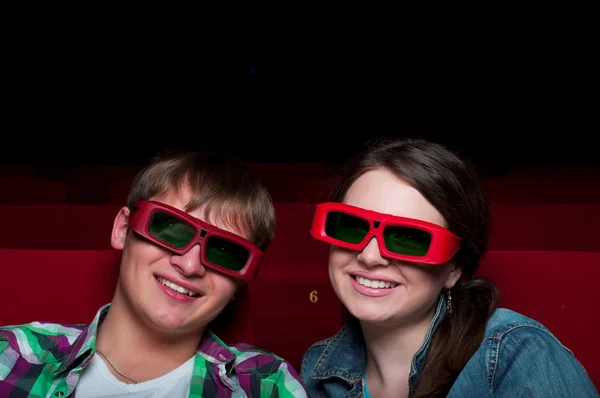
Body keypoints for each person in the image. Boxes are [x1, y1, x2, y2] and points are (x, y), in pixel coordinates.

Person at [300, 137, 599, 397]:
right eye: (352, 226)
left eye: (408, 239)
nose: (369, 256)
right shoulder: (317, 370)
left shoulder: (517, 355)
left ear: (454, 268)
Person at [0, 148, 308, 397]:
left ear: (239, 283)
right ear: (123, 229)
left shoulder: (266, 385)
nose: (190, 266)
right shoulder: (10, 356)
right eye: (171, 229)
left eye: (225, 252)